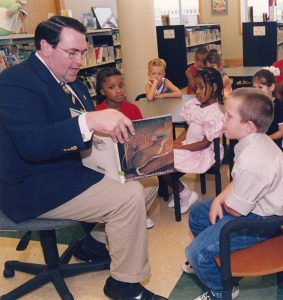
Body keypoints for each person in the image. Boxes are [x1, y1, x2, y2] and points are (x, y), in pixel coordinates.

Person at [0, 16, 166, 300]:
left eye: (82, 52)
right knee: (128, 198)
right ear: (45, 47)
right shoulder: (14, 83)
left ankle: (92, 244)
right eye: (72, 53)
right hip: (29, 184)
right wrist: (90, 122)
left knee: (147, 181)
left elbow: (81, 129)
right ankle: (124, 285)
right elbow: (32, 144)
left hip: (68, 168)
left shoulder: (71, 81)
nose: (79, 60)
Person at [184, 88, 283, 300]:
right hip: (257, 205)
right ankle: (219, 260)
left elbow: (235, 210)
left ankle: (222, 290)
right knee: (199, 213)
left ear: (248, 126)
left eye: (228, 115)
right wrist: (219, 198)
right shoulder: (255, 140)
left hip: (263, 220)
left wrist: (224, 203)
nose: (223, 119)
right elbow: (238, 182)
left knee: (196, 253)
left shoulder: (252, 159)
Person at [95, 66, 158, 229]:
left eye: (121, 85)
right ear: (102, 91)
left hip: (131, 158)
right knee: (121, 186)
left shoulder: (132, 109)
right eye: (112, 87)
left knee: (152, 181)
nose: (118, 90)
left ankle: (139, 213)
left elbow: (141, 135)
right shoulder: (96, 113)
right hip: (108, 164)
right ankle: (127, 216)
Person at [161, 67, 224, 214]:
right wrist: (176, 142)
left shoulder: (214, 113)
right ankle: (184, 193)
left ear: (214, 88)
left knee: (163, 164)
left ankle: (184, 193)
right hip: (189, 146)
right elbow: (189, 129)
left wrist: (179, 148)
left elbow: (205, 143)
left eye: (201, 87)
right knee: (159, 159)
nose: (197, 92)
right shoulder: (194, 104)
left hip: (203, 152)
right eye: (196, 88)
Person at [253, 68, 283, 149]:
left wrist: (265, 139)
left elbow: (281, 132)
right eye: (254, 87)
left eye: (260, 87)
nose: (256, 91)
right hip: (256, 145)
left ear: (272, 87)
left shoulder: (279, 106)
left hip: (273, 146)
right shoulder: (253, 105)